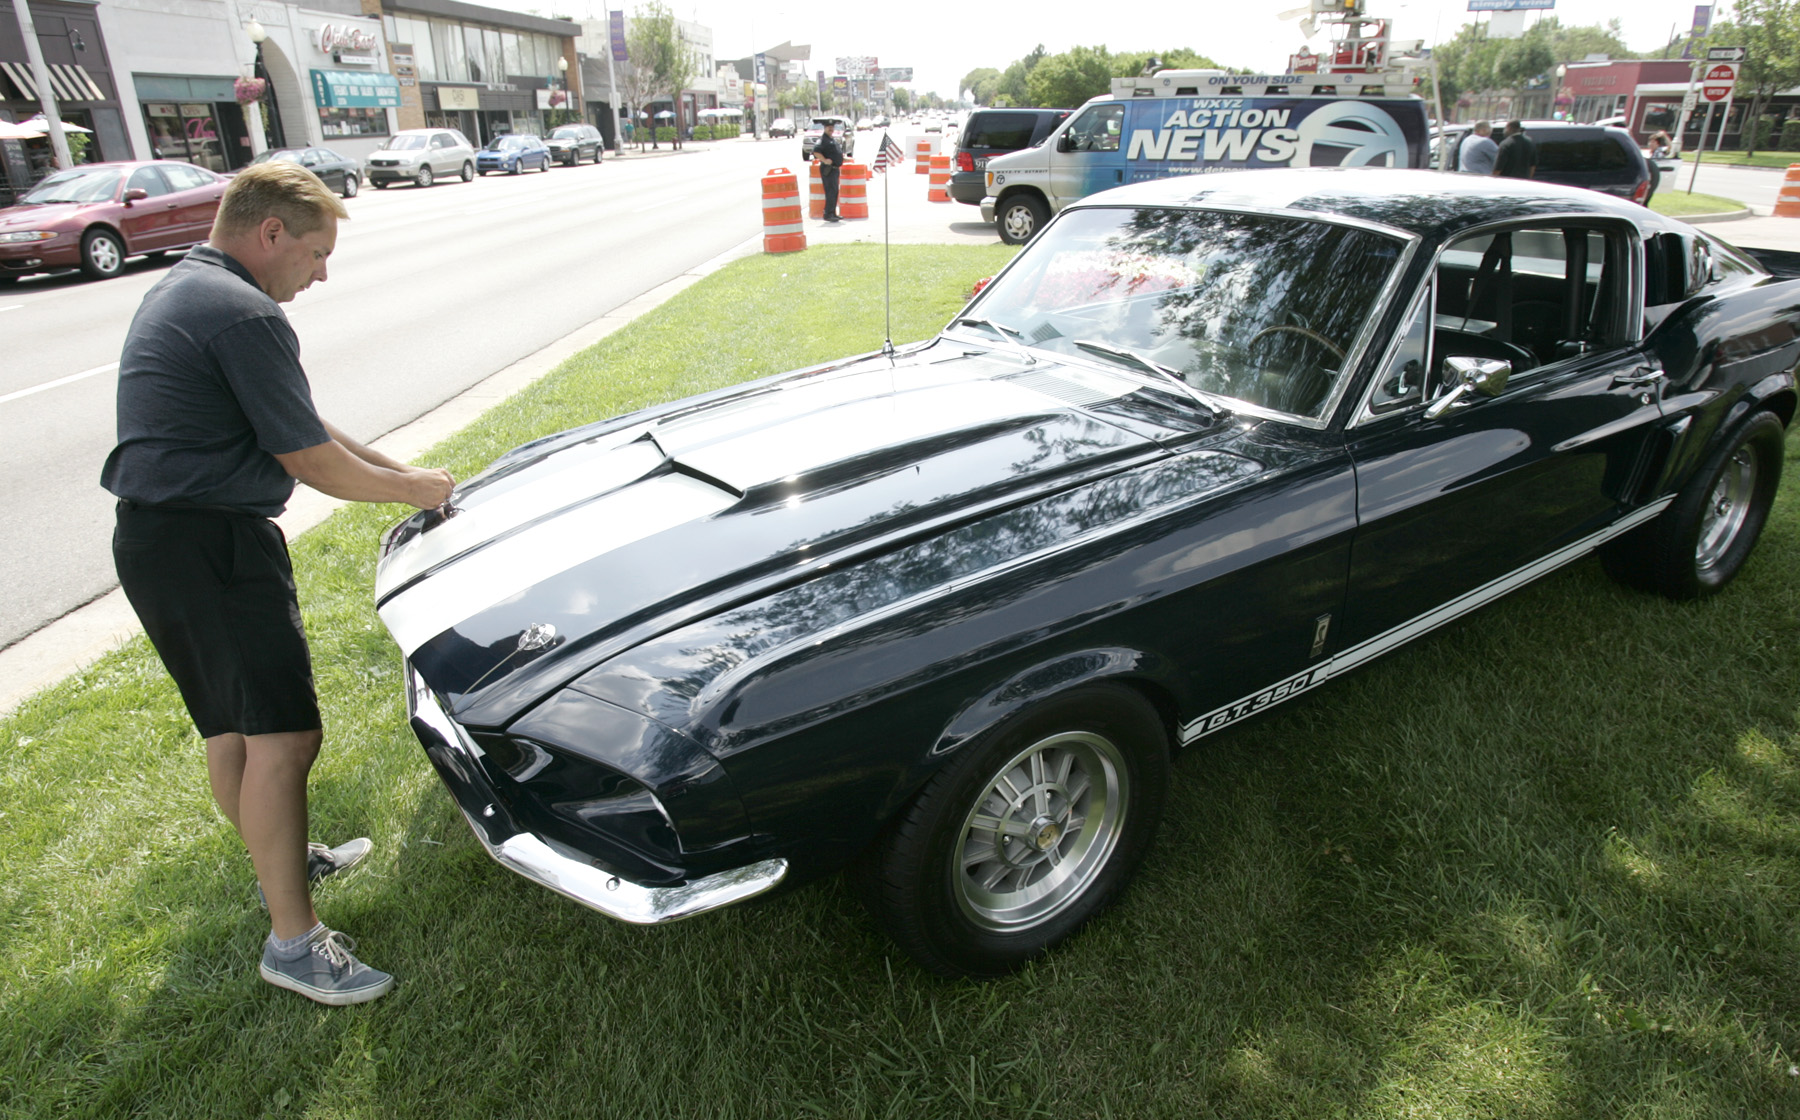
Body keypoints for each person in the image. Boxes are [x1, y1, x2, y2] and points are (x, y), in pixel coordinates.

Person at [101, 162, 455, 1006]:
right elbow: (306, 459)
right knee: (287, 739)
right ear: (270, 234)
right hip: (211, 546)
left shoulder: (194, 287)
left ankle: (284, 866)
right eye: (317, 251)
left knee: (233, 731)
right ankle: (294, 943)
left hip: (159, 542)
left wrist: (402, 469)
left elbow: (298, 419)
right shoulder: (244, 312)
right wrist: (418, 493)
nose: (322, 271)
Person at [814, 120, 844, 222]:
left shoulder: (832, 139)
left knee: (834, 191)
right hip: (828, 170)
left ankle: (833, 213)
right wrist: (824, 160)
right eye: (828, 127)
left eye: (832, 127)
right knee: (830, 191)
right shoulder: (823, 140)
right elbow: (816, 151)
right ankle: (828, 214)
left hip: (835, 169)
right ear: (824, 128)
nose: (831, 129)